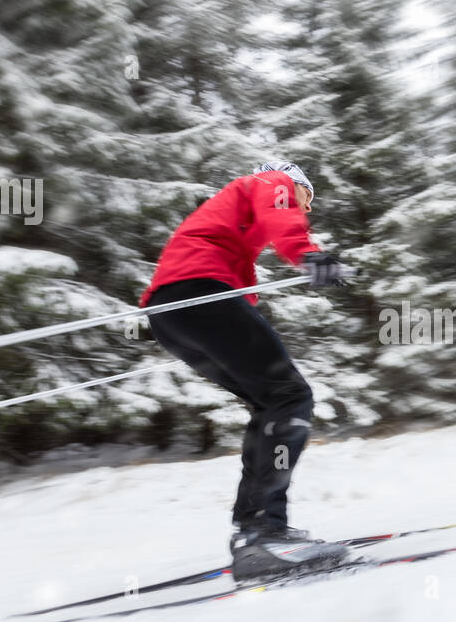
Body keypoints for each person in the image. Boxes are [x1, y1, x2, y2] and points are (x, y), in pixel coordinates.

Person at [139, 162, 350, 582]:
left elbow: (240, 277)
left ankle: (254, 532)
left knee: (270, 400)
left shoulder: (231, 224)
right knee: (290, 397)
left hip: (172, 314)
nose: (306, 208)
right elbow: (282, 212)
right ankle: (263, 534)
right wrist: (306, 253)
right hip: (198, 295)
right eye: (308, 198)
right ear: (297, 184)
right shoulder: (273, 182)